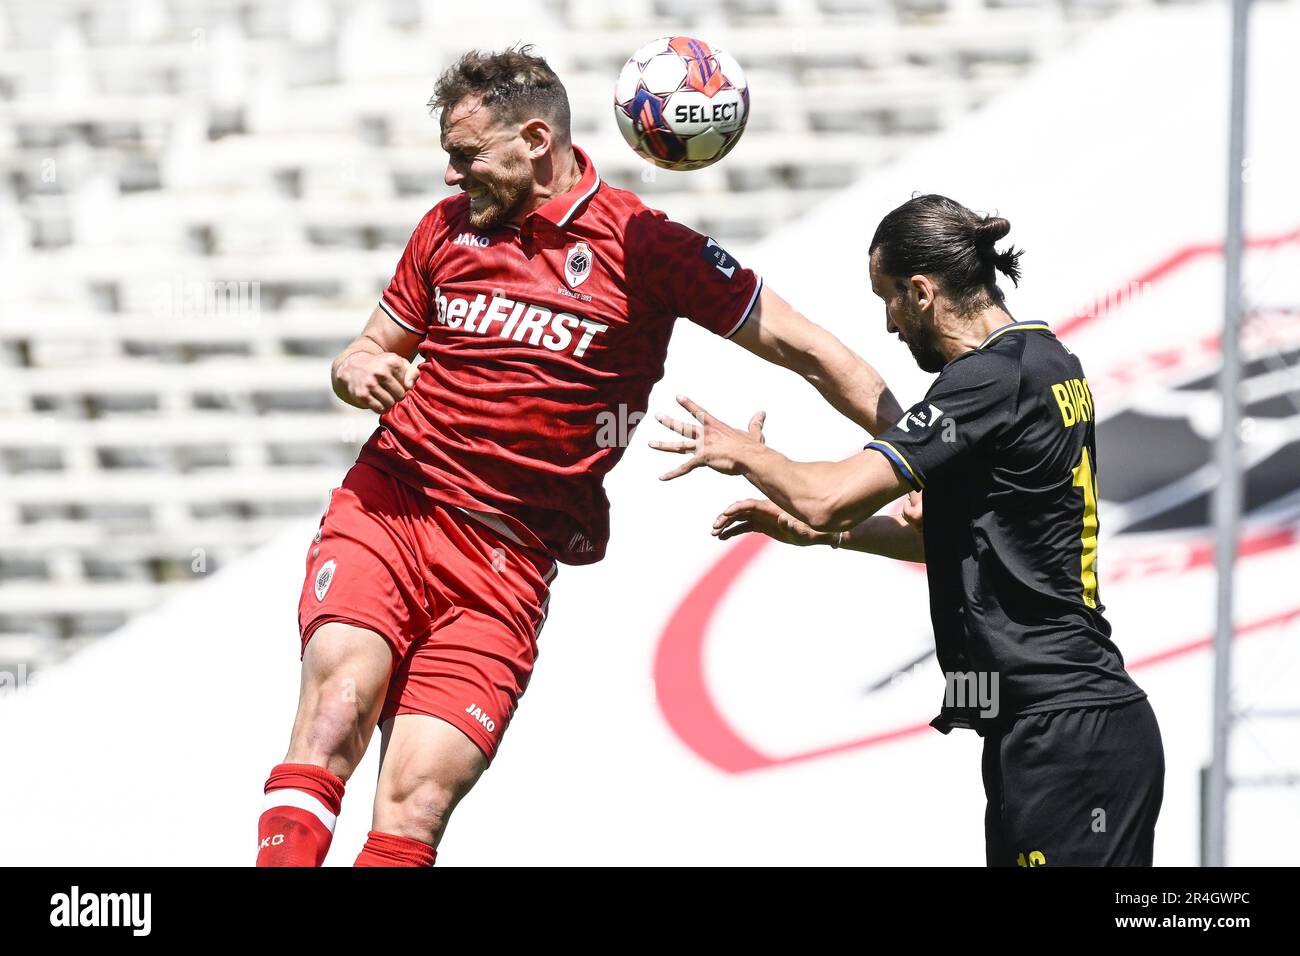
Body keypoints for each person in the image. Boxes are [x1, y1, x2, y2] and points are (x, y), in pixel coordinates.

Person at [255, 45, 904, 866]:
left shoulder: (648, 248)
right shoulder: (445, 231)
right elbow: (369, 347)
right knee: (336, 710)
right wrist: (356, 367)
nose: (453, 177)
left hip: (509, 564)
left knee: (418, 800)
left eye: (467, 156)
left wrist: (919, 447)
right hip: (395, 507)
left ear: (534, 138)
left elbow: (811, 351)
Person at [652, 194, 1164, 866]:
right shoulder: (1046, 362)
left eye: (887, 298)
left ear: (921, 292)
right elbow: (973, 542)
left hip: (1064, 732)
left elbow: (829, 495)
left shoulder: (986, 382)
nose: (890, 324)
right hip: (1059, 726)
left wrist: (748, 454)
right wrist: (825, 536)